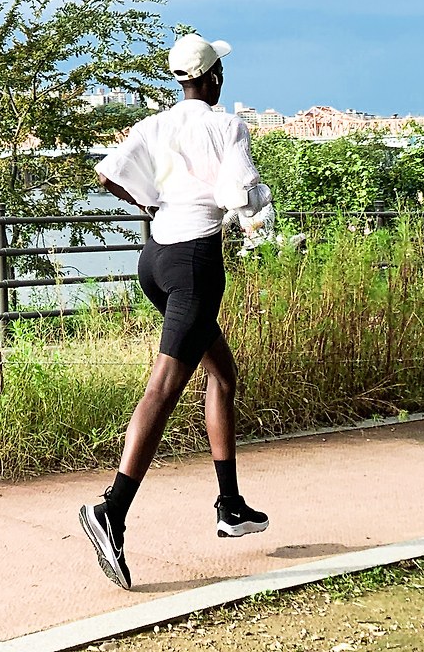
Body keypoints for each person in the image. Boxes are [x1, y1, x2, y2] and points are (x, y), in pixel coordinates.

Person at [80, 33, 271, 590]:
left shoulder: (154, 124)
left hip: (155, 258)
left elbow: (108, 173)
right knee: (163, 389)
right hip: (194, 266)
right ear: (213, 78)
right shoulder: (227, 126)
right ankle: (112, 510)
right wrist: (256, 213)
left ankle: (230, 505)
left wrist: (150, 201)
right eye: (219, 73)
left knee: (222, 374)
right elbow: (241, 191)